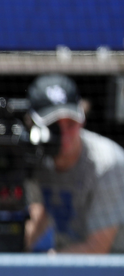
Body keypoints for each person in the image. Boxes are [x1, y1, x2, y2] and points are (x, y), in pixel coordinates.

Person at [23, 74, 124, 254]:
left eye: (70, 123)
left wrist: (43, 266)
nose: (64, 134)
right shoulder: (35, 158)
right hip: (69, 261)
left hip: (114, 268)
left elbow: (98, 248)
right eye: (54, 126)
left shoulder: (108, 163)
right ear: (34, 125)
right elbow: (38, 215)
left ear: (82, 119)